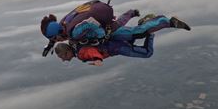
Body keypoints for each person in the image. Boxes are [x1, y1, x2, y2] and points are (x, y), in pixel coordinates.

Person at [53, 13, 191, 65]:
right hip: (112, 35)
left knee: (147, 52)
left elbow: (90, 52)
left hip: (115, 47)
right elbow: (118, 22)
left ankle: (163, 25)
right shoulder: (74, 40)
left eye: (63, 57)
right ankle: (159, 23)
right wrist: (130, 14)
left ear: (66, 52)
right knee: (137, 32)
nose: (64, 60)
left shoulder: (79, 53)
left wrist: (97, 59)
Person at [40, 0, 139, 55]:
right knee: (113, 26)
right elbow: (55, 33)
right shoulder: (63, 23)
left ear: (58, 33)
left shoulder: (74, 32)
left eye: (55, 39)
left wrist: (102, 35)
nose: (58, 41)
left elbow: (90, 23)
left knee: (113, 28)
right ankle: (131, 13)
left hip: (102, 14)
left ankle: (133, 17)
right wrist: (49, 46)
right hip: (96, 6)